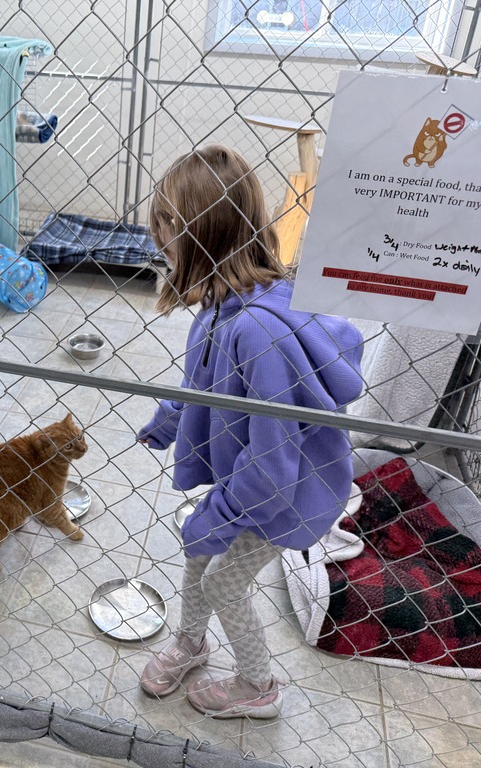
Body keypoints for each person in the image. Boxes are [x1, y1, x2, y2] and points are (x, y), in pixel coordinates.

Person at [136, 145, 364, 719]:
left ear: (197, 232)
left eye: (164, 223)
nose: (156, 236)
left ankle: (257, 687)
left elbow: (273, 467)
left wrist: (219, 514)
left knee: (223, 583)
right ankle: (191, 643)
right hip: (254, 479)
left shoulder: (257, 332)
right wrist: (168, 423)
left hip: (284, 495)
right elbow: (200, 380)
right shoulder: (222, 304)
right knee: (198, 555)